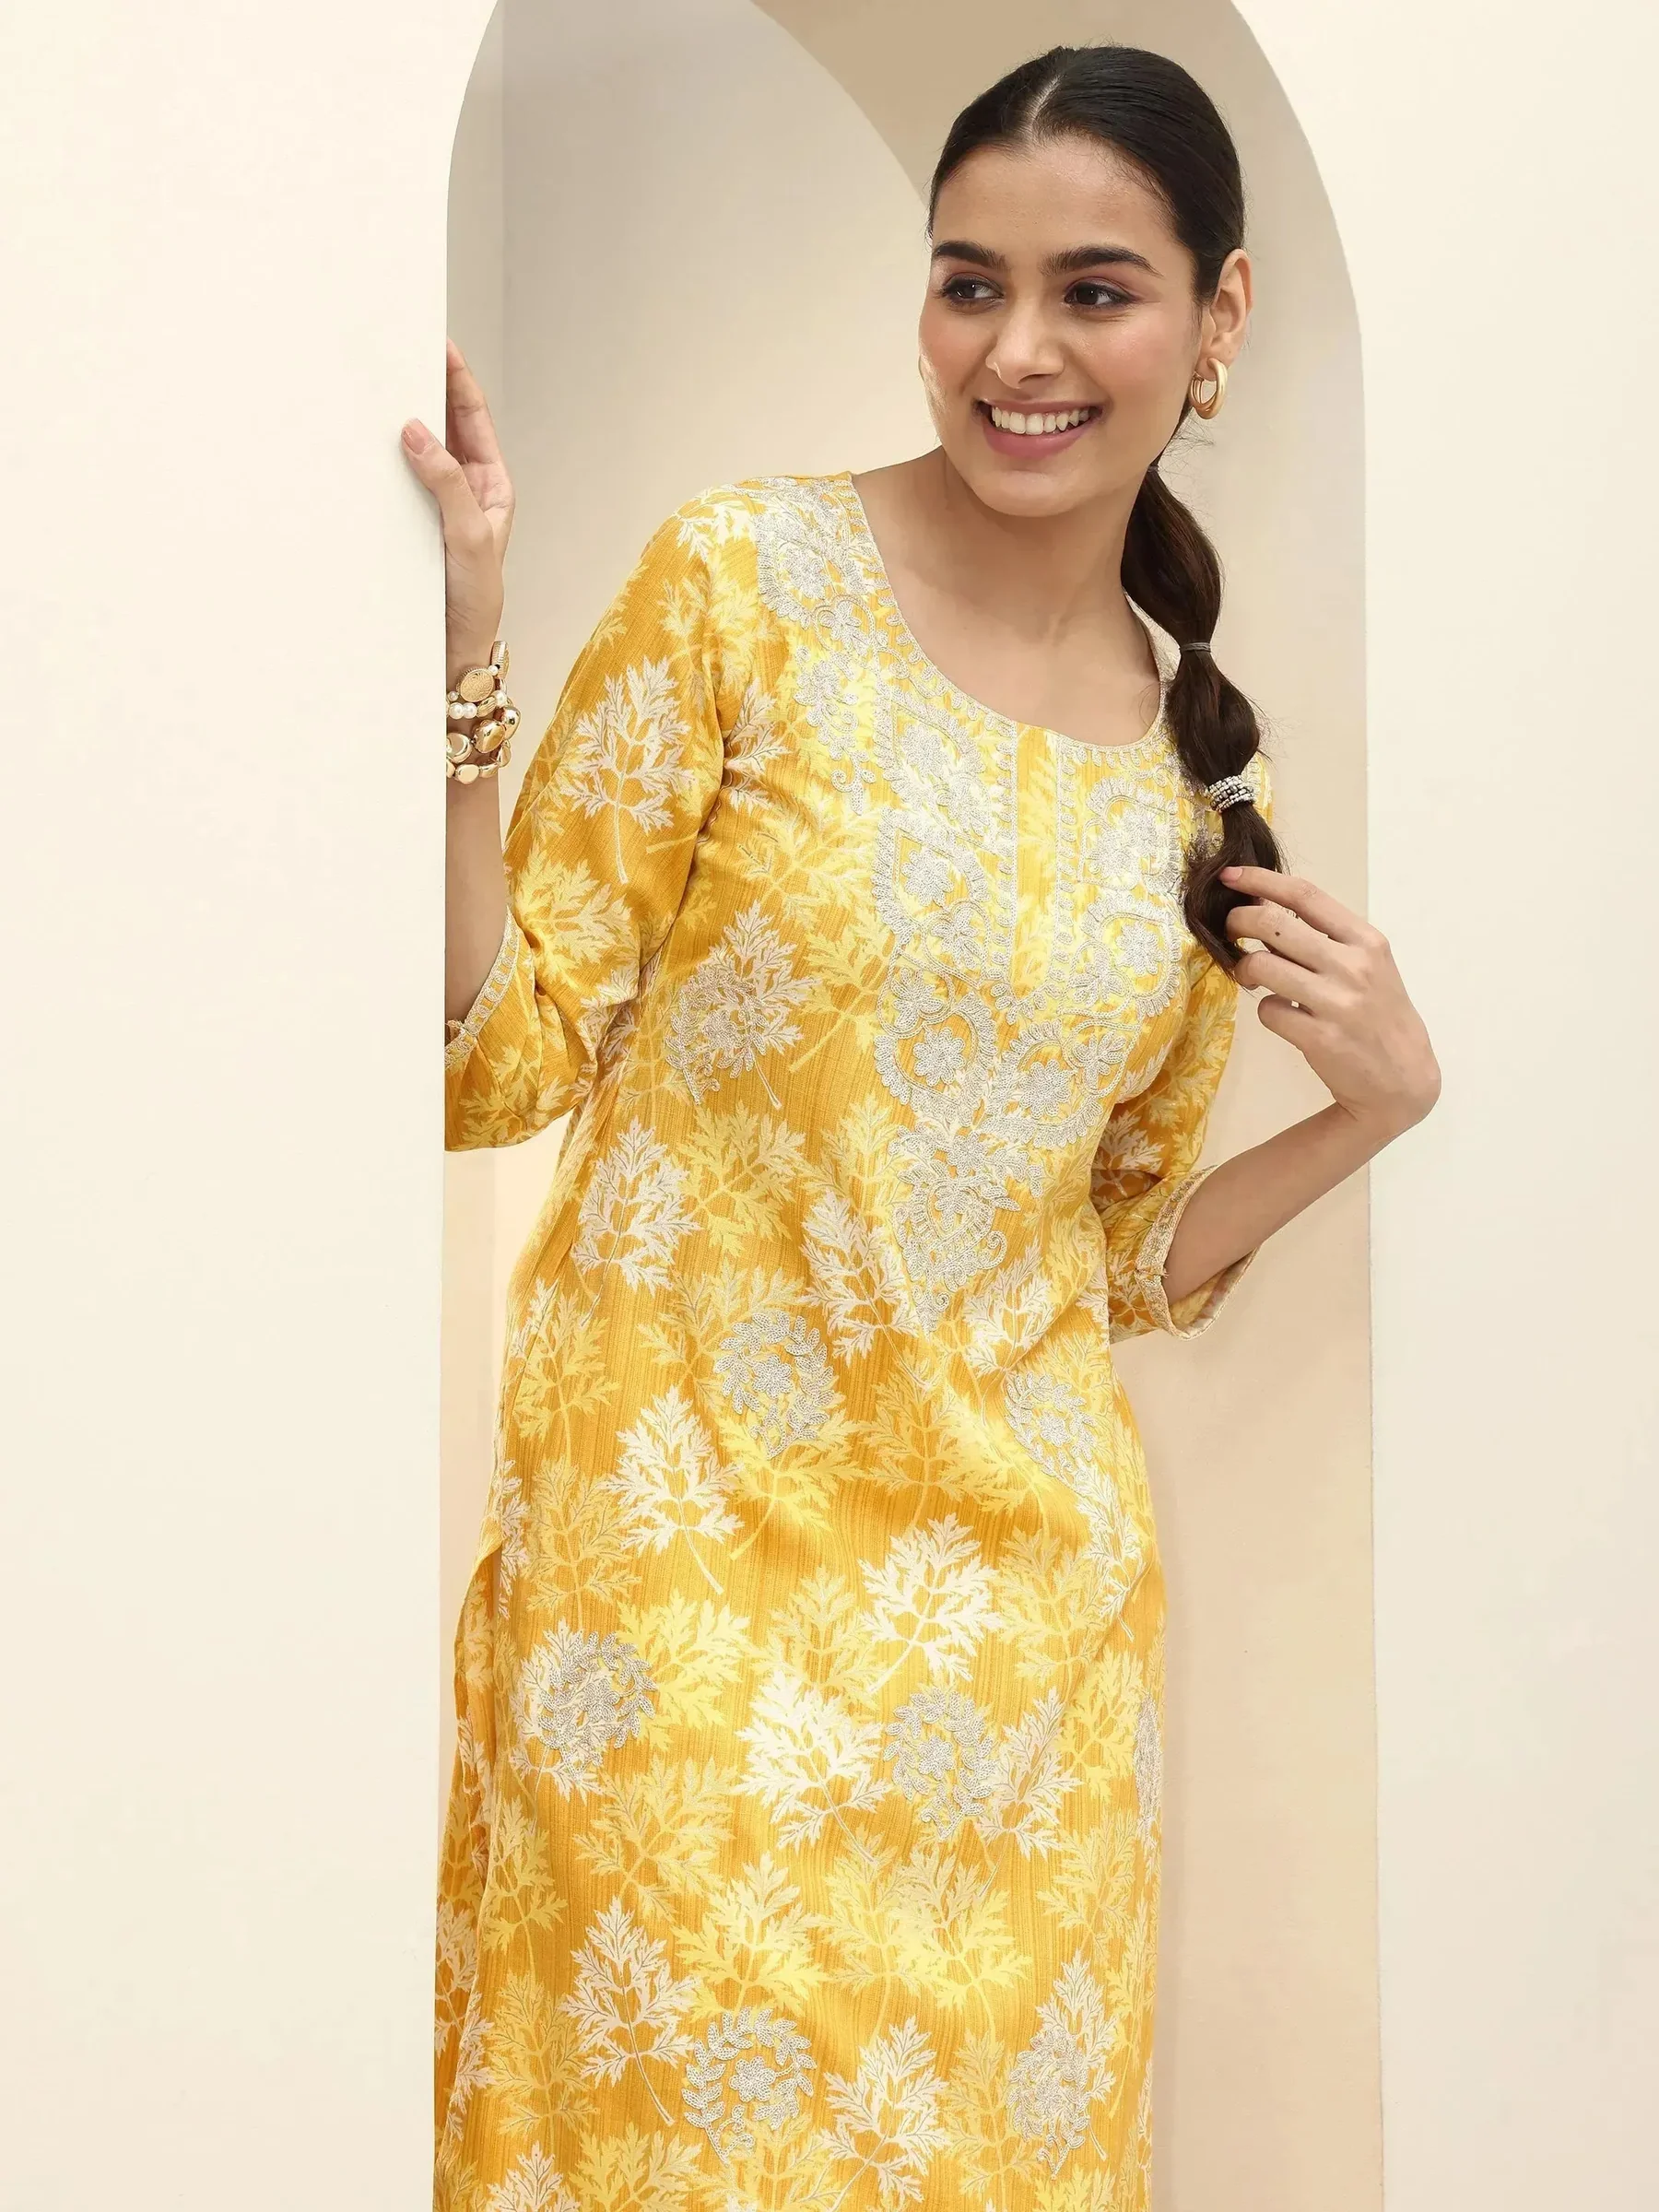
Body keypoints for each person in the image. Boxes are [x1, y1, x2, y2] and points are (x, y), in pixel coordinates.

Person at [407, 42, 1438, 2212]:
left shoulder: (1202, 780)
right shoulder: (742, 588)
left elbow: (1106, 1256)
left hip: (1017, 1680)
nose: (1017, 352)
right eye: (971, 284)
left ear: (1220, 317)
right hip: (670, 1615)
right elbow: (494, 1056)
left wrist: (1373, 1110)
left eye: (1094, 290)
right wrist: (462, 679)